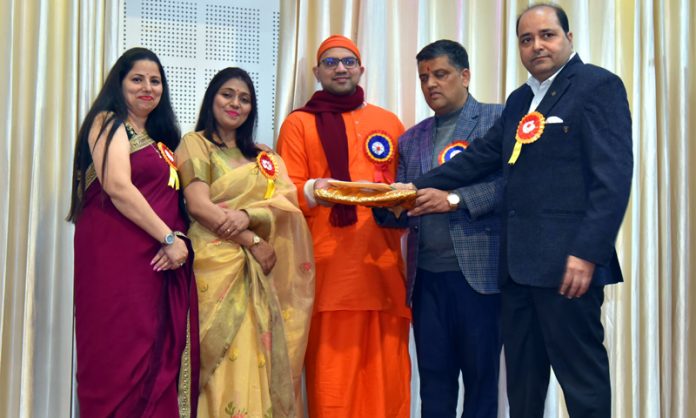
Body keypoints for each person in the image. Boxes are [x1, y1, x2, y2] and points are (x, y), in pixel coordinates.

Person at [401, 4, 633, 417]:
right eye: (527, 39)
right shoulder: (521, 99)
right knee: (523, 388)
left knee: (582, 383)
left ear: (569, 38)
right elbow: (479, 159)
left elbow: (612, 181)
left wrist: (587, 253)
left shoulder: (598, 86)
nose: (537, 46)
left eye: (547, 35)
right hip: (515, 271)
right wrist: (409, 188)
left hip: (568, 269)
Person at [276, 35, 411, 418]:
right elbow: (287, 196)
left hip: (383, 270)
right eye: (331, 62)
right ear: (317, 71)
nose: (340, 68)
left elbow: (403, 196)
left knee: (388, 383)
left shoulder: (388, 123)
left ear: (361, 69)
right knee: (332, 386)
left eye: (348, 62)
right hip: (328, 272)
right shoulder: (298, 124)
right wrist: (315, 189)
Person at [175, 67, 315, 418]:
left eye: (245, 99)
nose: (235, 104)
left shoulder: (263, 159)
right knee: (216, 361)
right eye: (227, 94)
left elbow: (286, 205)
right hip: (212, 269)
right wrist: (251, 238)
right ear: (212, 98)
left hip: (256, 275)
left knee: (255, 356)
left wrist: (250, 216)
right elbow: (198, 205)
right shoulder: (196, 143)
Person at [67, 47, 199, 417]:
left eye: (155, 81)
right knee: (116, 357)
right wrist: (169, 239)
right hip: (117, 263)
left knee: (155, 356)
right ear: (118, 83)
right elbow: (118, 187)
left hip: (156, 265)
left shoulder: (161, 141)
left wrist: (180, 239)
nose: (148, 88)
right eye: (137, 79)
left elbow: (175, 202)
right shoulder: (108, 122)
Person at [375, 39, 503, 417]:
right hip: (426, 280)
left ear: (465, 76)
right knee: (434, 383)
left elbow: (511, 187)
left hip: (480, 279)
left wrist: (458, 200)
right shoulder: (410, 138)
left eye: (441, 74)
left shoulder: (498, 120)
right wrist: (382, 202)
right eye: (424, 77)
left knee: (481, 383)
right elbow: (402, 202)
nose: (431, 84)